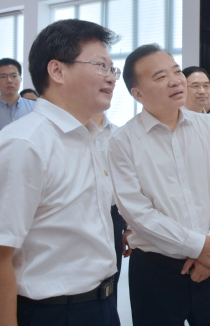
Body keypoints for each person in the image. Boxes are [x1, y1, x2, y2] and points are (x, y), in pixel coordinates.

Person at [0, 19, 121, 326]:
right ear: (57, 71)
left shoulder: (90, 138)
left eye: (112, 69)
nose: (111, 78)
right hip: (54, 312)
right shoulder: (22, 146)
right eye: (101, 66)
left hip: (103, 304)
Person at [109, 44, 210, 325]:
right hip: (156, 272)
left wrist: (209, 250)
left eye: (177, 72)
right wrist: (198, 247)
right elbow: (136, 212)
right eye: (160, 76)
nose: (175, 81)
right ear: (137, 94)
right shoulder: (122, 141)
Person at [92, 111, 127, 311]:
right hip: (83, 214)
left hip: (113, 213)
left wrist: (128, 227)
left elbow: (128, 182)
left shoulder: (118, 134)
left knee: (112, 276)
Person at [0, 58, 35, 145]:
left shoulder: (35, 107)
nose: (9, 80)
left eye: (14, 76)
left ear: (20, 79)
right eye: (3, 76)